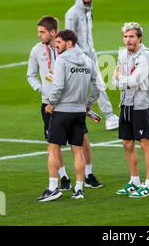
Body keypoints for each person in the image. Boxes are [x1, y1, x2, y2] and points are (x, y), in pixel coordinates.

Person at [27, 16, 103, 190]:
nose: (39, 35)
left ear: (53, 32)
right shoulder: (36, 51)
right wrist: (42, 89)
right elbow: (31, 75)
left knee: (82, 141)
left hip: (68, 104)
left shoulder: (70, 51)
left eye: (42, 32)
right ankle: (64, 179)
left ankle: (88, 175)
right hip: (50, 103)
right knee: (54, 144)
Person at [65, 0, 120, 130]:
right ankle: (109, 117)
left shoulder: (88, 12)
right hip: (81, 56)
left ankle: (106, 116)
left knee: (95, 85)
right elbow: (68, 38)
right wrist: (77, 57)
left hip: (91, 54)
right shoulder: (72, 14)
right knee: (95, 84)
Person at [113, 22, 149, 198]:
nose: (128, 40)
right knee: (127, 143)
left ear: (139, 38)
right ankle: (135, 181)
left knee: (145, 142)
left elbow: (136, 79)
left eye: (131, 36)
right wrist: (122, 79)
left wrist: (122, 78)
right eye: (125, 36)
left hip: (141, 105)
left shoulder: (145, 56)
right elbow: (115, 81)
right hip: (125, 103)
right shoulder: (122, 54)